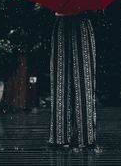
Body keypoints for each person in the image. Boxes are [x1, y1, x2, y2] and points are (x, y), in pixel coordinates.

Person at [46, 10, 102, 153]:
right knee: (65, 83)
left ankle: (81, 137)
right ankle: (66, 137)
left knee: (82, 83)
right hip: (66, 24)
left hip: (78, 23)